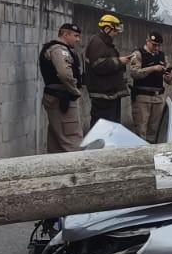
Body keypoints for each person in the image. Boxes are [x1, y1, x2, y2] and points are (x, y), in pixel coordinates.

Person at [39, 23, 85, 153]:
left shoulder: (56, 48)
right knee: (72, 140)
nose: (78, 40)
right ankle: (78, 171)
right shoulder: (59, 50)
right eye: (75, 36)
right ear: (65, 34)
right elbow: (65, 74)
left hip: (57, 97)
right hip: (62, 98)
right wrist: (75, 91)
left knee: (57, 141)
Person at [84, 13, 132, 130]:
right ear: (107, 28)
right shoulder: (97, 42)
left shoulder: (106, 43)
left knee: (111, 128)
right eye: (115, 30)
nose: (117, 33)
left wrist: (121, 63)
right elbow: (99, 65)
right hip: (103, 96)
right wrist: (120, 61)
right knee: (101, 129)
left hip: (110, 95)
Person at [126, 31, 172, 143]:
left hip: (158, 97)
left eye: (159, 45)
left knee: (154, 130)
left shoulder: (162, 56)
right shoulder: (138, 54)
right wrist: (152, 68)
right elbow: (134, 73)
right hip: (142, 97)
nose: (156, 47)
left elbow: (169, 77)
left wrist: (169, 77)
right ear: (147, 41)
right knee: (141, 129)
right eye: (154, 45)